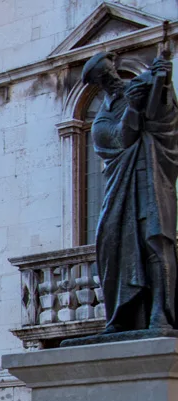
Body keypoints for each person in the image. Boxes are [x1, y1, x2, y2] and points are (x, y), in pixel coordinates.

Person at [82, 51, 178, 333]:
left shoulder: (140, 86)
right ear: (98, 83)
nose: (112, 79)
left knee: (156, 241)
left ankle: (161, 312)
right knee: (112, 243)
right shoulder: (100, 120)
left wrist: (163, 81)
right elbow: (122, 139)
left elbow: (165, 117)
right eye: (105, 77)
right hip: (121, 187)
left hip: (151, 177)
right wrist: (134, 108)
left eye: (112, 72)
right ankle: (122, 314)